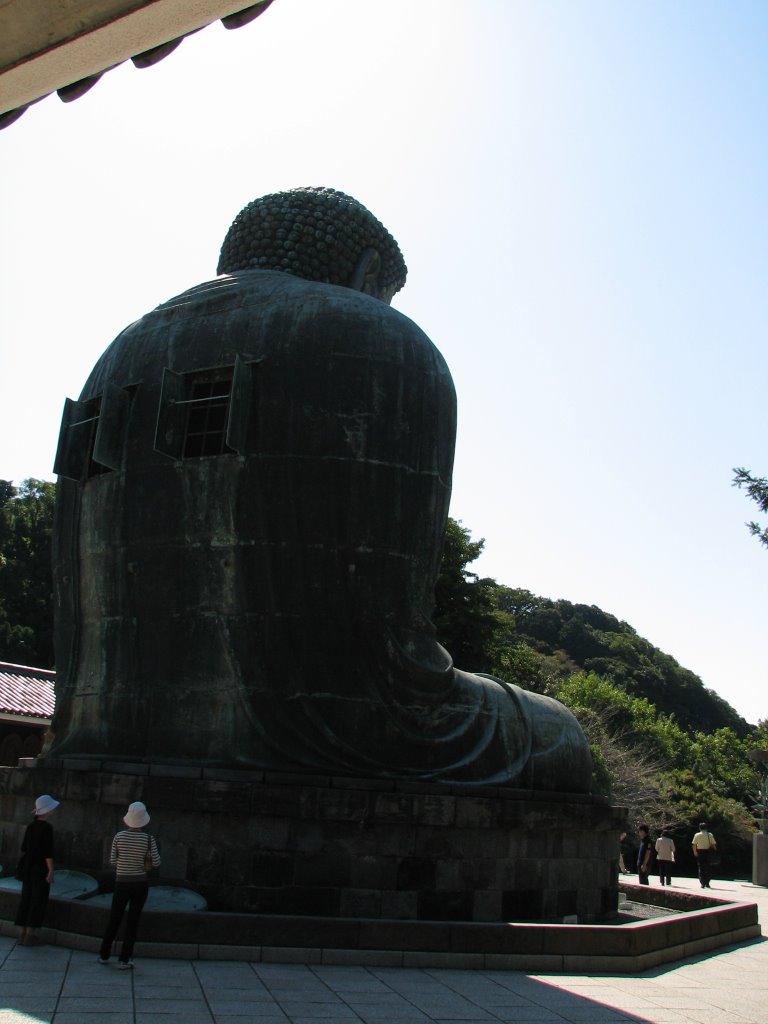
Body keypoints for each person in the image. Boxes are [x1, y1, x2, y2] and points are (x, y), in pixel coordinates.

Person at [98, 801, 160, 968]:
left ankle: (104, 954)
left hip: (121, 882)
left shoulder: (119, 837)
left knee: (114, 918)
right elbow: (157, 862)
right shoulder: (148, 839)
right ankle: (124, 959)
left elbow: (112, 861)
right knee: (133, 921)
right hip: (140, 883)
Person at [15, 794, 59, 945]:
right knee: (38, 900)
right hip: (40, 868)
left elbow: (24, 847)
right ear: (48, 811)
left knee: (26, 898)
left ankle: (21, 933)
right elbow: (48, 852)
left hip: (27, 866)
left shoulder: (31, 826)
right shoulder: (47, 828)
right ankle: (30, 934)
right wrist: (51, 871)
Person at [692, 821, 717, 889]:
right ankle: (707, 883)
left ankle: (702, 883)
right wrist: (715, 851)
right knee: (708, 868)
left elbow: (694, 844)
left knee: (701, 868)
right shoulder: (710, 834)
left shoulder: (697, 835)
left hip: (700, 852)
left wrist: (695, 852)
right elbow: (713, 844)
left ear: (700, 828)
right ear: (706, 828)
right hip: (708, 852)